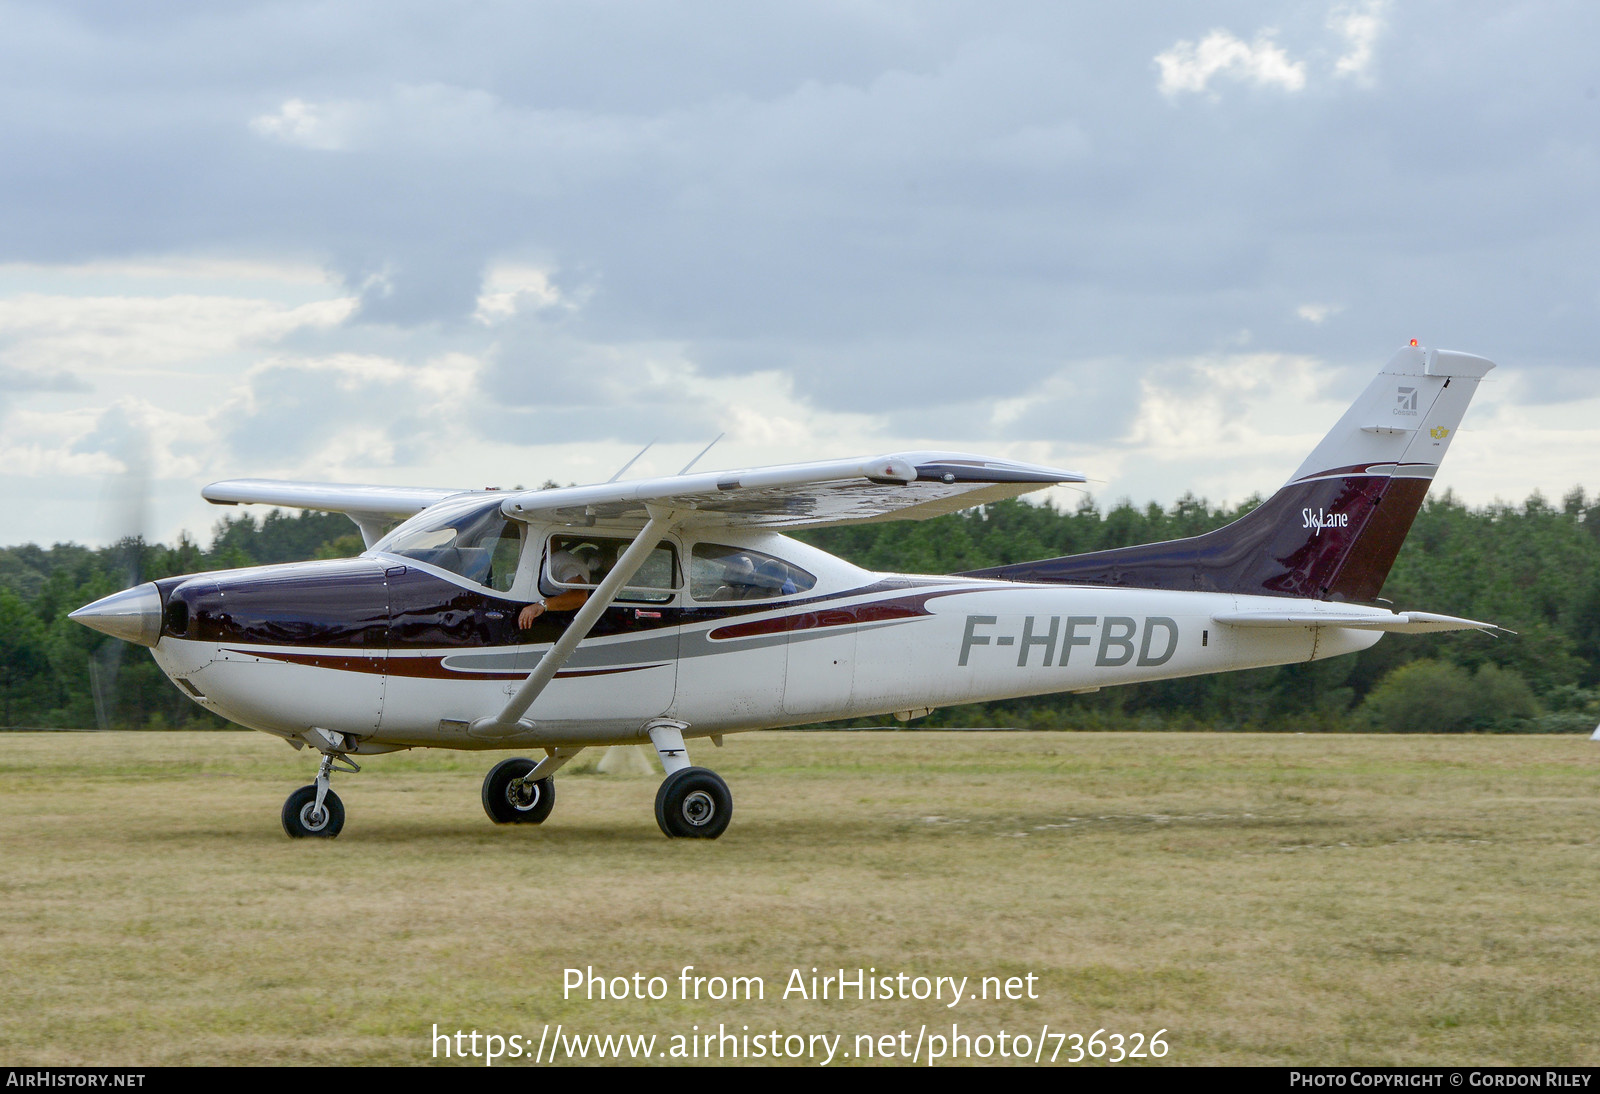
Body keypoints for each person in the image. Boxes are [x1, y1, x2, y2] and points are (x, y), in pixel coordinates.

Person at [518, 550, 593, 629]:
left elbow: (580, 595)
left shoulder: (562, 562)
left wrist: (541, 605)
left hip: (562, 625)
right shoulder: (549, 559)